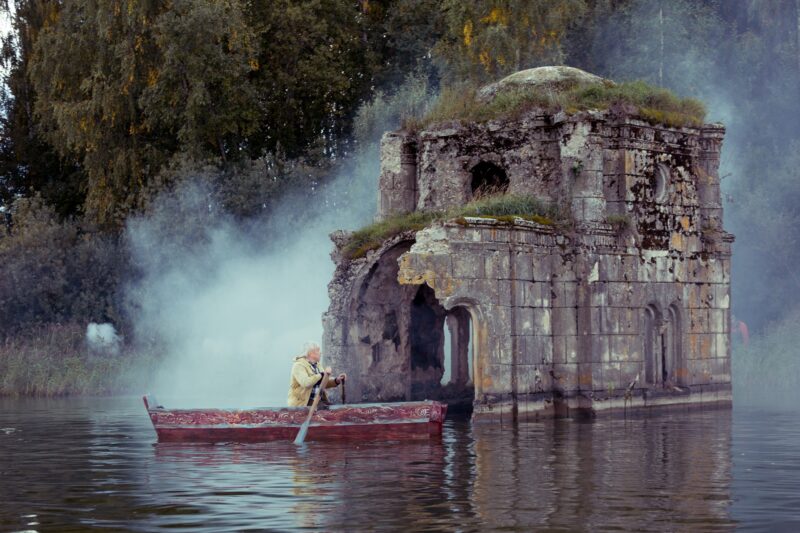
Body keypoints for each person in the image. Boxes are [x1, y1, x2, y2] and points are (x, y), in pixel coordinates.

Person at [287, 341, 346, 407]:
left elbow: (323, 383)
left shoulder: (318, 365)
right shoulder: (298, 366)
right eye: (318, 351)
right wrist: (321, 375)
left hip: (317, 402)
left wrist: (336, 380)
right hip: (303, 404)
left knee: (335, 411)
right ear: (311, 353)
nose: (321, 353)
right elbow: (306, 383)